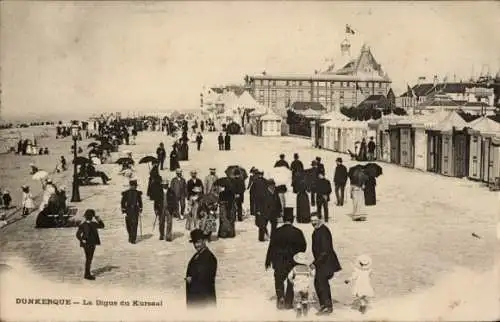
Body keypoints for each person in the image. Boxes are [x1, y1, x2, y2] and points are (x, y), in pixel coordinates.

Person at [265, 209, 306, 310]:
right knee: (290, 281)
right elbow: (303, 247)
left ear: (283, 219)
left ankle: (280, 297)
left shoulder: (276, 232)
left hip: (278, 261)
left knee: (278, 280)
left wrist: (268, 260)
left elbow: (271, 247)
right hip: (292, 262)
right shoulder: (298, 232)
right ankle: (288, 302)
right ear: (292, 219)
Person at [310, 215, 342, 315]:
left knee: (321, 284)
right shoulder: (317, 230)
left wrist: (315, 263)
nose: (313, 223)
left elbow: (325, 251)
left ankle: (327, 306)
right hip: (322, 262)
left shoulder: (323, 231)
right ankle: (324, 305)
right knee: (318, 283)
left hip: (326, 262)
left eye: (315, 220)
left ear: (320, 220)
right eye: (312, 221)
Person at [185, 229, 217, 308]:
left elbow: (206, 279)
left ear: (204, 241)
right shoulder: (197, 255)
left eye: (198, 242)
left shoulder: (209, 257)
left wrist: (192, 279)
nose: (196, 245)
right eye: (194, 243)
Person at [75, 209, 105, 280]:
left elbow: (78, 234)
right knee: (89, 259)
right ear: (92, 217)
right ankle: (87, 274)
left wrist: (82, 240)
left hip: (89, 244)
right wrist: (98, 219)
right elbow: (102, 225)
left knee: (89, 258)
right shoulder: (93, 224)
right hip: (89, 244)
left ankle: (87, 273)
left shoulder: (83, 225)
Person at [288, 252, 313, 317]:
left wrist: (292, 281)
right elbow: (312, 275)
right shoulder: (307, 268)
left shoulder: (295, 268)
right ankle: (305, 308)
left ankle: (299, 309)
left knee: (298, 298)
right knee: (304, 297)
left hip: (297, 286)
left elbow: (289, 276)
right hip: (305, 287)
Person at [120, 179, 143, 244]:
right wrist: (124, 211)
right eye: (132, 186)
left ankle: (133, 239)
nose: (134, 187)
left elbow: (140, 202)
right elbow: (123, 202)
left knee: (135, 224)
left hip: (135, 210)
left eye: (135, 186)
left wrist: (140, 209)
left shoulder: (138, 193)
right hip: (128, 210)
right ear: (130, 186)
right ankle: (130, 235)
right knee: (129, 225)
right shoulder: (126, 193)